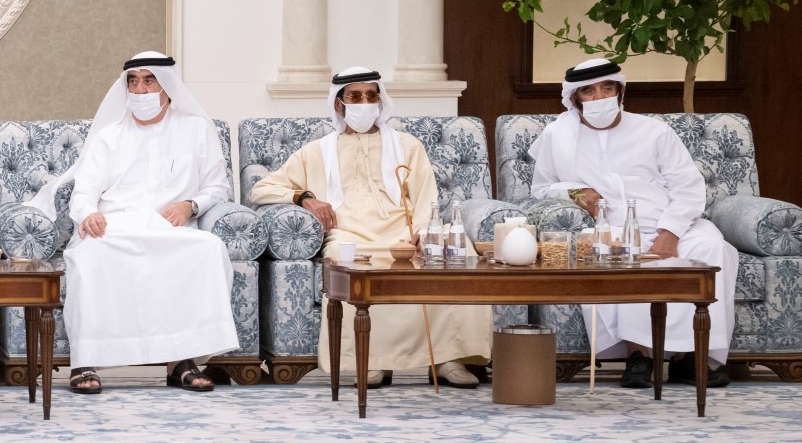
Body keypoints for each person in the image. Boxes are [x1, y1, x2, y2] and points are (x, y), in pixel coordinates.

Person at [249, 67, 492, 388]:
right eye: (355, 97)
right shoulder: (317, 151)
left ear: (380, 101)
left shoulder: (407, 145)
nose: (364, 103)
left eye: (370, 96)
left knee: (458, 249)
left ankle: (449, 357)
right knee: (344, 256)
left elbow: (426, 195)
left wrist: (422, 231)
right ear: (339, 104)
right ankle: (374, 359)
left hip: (404, 232)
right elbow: (261, 189)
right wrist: (304, 198)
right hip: (352, 234)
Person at [37, 51, 239, 395]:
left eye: (149, 81)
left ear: (168, 86)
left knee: (207, 249)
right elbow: (84, 191)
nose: (140, 89)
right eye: (133, 81)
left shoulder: (196, 129)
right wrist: (89, 214)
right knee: (87, 255)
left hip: (168, 230)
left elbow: (218, 187)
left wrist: (191, 205)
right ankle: (86, 360)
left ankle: (181, 361)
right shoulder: (109, 135)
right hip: (114, 228)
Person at [528, 57, 737, 388]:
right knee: (619, 252)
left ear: (620, 91)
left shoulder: (654, 131)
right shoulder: (558, 136)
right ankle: (639, 356)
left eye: (607, 88)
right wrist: (575, 191)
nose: (599, 97)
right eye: (589, 91)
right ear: (575, 98)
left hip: (673, 220)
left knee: (713, 248)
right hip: (611, 225)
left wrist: (670, 233)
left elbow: (688, 187)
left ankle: (690, 357)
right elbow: (540, 189)